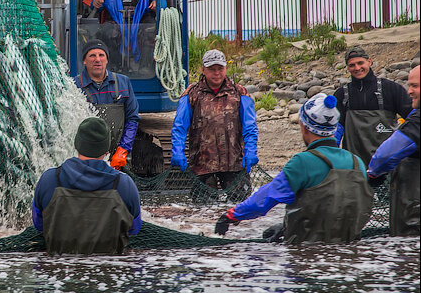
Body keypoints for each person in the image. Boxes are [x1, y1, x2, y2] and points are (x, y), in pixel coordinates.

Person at [215, 93, 373, 244]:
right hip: (349, 255)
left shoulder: (303, 162)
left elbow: (264, 200)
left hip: (306, 256)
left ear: (304, 126)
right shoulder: (357, 162)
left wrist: (231, 215)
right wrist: (284, 227)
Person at [32, 117, 141, 254]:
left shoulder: (49, 180)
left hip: (60, 271)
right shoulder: (124, 185)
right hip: (109, 270)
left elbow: (39, 225)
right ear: (106, 150)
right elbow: (134, 229)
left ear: (76, 144)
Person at [171, 49, 258, 195]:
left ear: (225, 68)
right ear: (203, 70)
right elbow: (179, 127)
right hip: (202, 167)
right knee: (202, 211)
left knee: (238, 208)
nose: (217, 73)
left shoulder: (240, 93)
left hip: (234, 165)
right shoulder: (191, 95)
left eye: (220, 68)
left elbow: (250, 127)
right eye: (212, 69)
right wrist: (177, 151)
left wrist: (251, 151)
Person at [333, 46, 412, 165]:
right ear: (347, 68)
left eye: (360, 63)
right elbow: (336, 130)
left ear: (369, 61)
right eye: (352, 65)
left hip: (387, 165)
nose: (357, 68)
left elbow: (413, 119)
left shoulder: (391, 89)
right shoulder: (341, 95)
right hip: (354, 167)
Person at [367, 65, 420, 236]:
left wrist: (373, 174)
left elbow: (385, 156)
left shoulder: (417, 122)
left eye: (415, 86)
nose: (409, 91)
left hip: (414, 219)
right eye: (409, 85)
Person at [74, 39, 140, 170]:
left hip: (118, 159)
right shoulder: (75, 86)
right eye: (92, 55)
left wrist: (123, 150)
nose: (97, 59)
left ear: (107, 59)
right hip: (86, 159)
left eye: (101, 55)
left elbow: (132, 119)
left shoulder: (123, 83)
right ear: (84, 61)